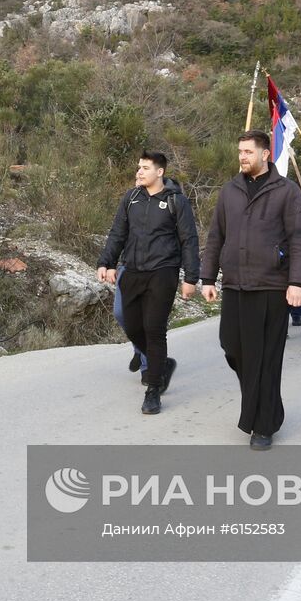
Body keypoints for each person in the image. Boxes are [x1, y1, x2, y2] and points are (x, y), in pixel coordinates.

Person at [200, 130, 301, 451]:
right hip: (235, 283)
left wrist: (297, 282)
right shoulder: (230, 190)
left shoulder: (286, 191)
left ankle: (264, 425)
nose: (242, 157)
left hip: (272, 286)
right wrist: (208, 278)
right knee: (232, 346)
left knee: (265, 357)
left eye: (248, 151)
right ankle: (267, 404)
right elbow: (216, 236)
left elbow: (298, 240)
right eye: (240, 151)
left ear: (265, 154)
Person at [97, 151, 200, 415]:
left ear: (160, 172)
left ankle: (153, 389)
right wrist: (105, 262)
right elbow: (117, 232)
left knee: (154, 329)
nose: (139, 172)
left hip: (163, 271)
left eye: (145, 168)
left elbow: (189, 240)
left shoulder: (176, 201)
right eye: (138, 168)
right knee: (132, 326)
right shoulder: (130, 198)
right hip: (132, 271)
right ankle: (161, 363)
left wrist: (190, 278)